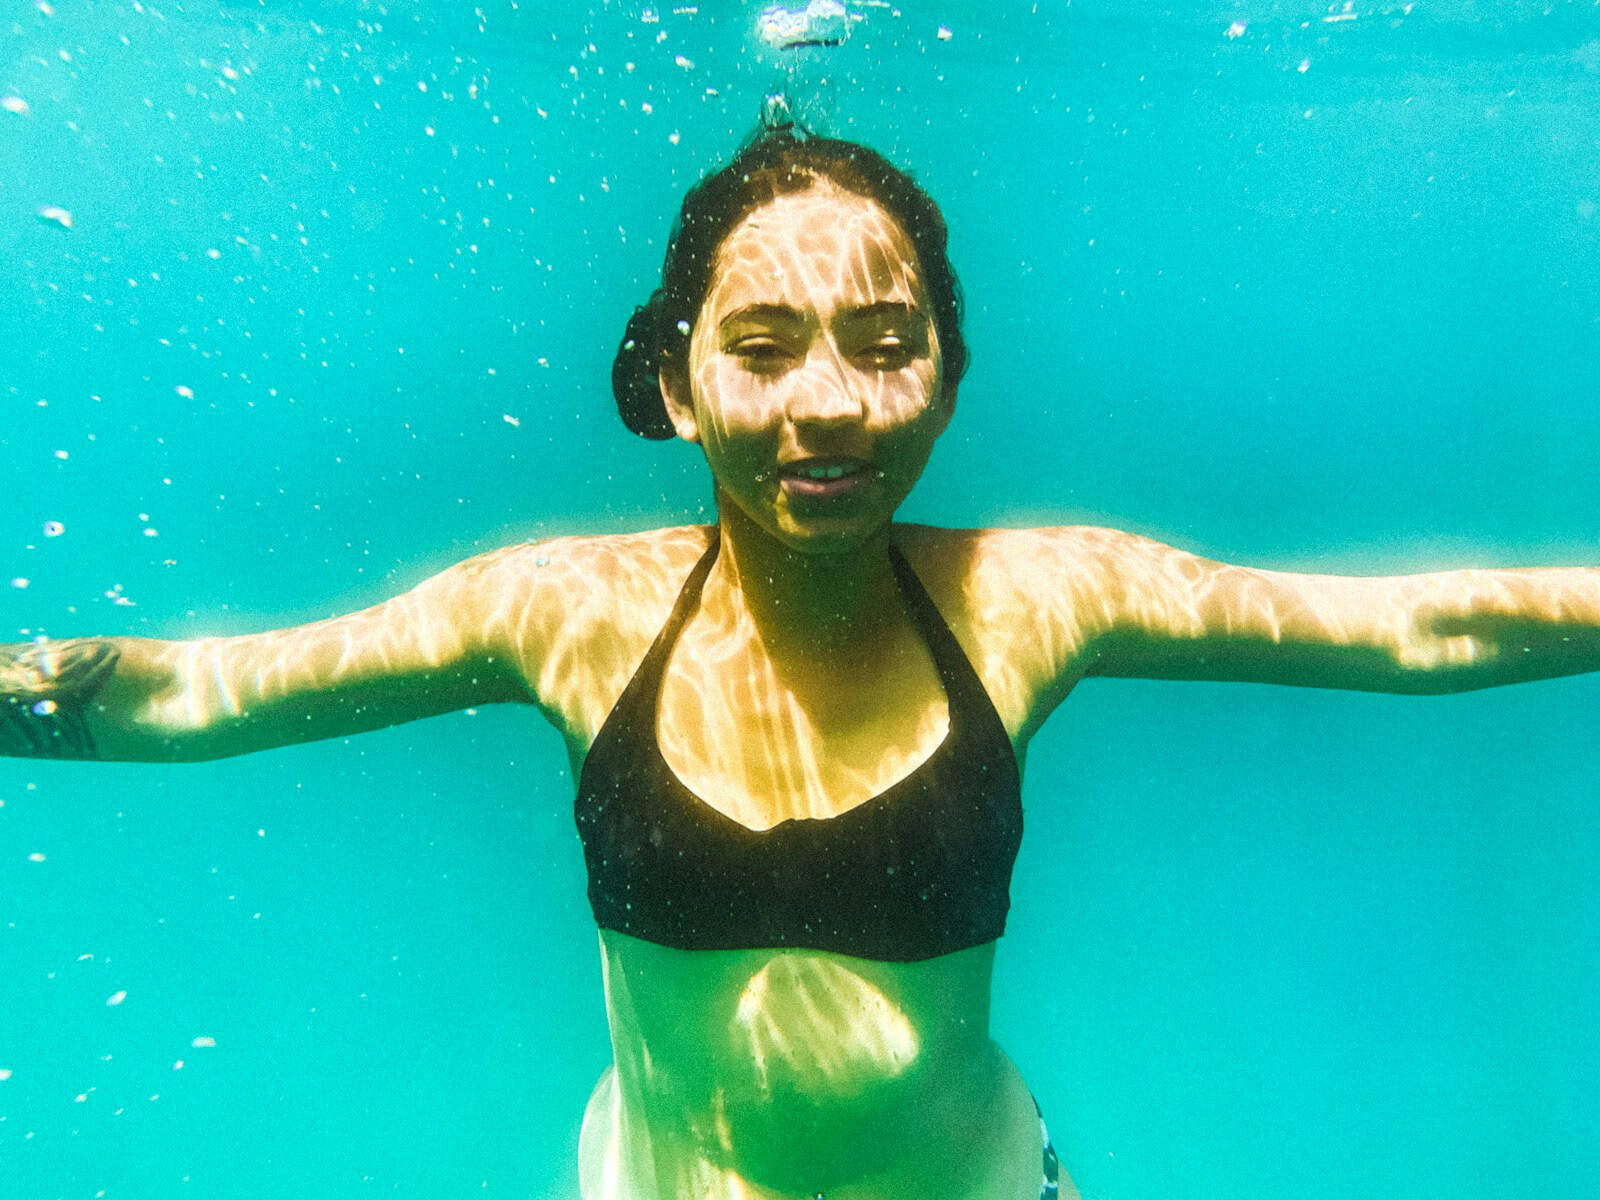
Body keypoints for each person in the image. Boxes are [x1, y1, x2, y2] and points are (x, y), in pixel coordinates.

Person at [4, 127, 1598, 1200]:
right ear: (682, 383)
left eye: (885, 343)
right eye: (761, 349)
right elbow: (200, 687)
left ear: (950, 378)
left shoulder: (1036, 599)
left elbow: (1413, 620)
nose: (824, 404)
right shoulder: (562, 612)